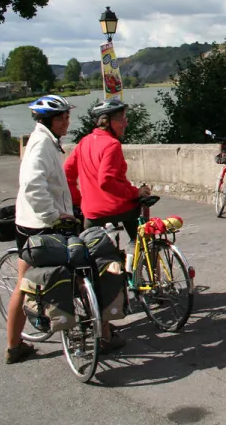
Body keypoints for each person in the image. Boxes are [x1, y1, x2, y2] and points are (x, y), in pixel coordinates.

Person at [64, 98, 150, 353]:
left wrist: (80, 200)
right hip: (118, 207)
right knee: (142, 232)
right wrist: (135, 193)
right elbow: (107, 181)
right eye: (122, 118)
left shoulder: (83, 143)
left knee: (89, 260)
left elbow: (67, 174)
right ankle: (139, 273)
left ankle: (96, 304)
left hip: (92, 212)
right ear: (107, 121)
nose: (125, 122)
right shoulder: (112, 145)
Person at [6, 95, 75, 364]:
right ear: (48, 120)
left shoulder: (47, 141)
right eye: (62, 118)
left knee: (25, 285)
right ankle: (95, 331)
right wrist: (54, 217)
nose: (66, 122)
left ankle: (14, 347)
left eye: (67, 117)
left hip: (31, 223)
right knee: (70, 271)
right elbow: (34, 185)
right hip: (40, 225)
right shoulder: (41, 145)